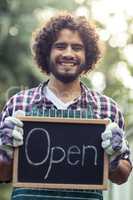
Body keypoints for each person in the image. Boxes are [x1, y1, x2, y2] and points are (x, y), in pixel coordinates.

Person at [0, 12, 132, 200]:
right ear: (47, 53)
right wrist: (5, 152)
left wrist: (115, 157)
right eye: (60, 46)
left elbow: (122, 176)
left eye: (77, 47)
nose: (68, 53)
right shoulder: (18, 104)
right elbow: (3, 174)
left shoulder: (108, 109)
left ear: (88, 55)